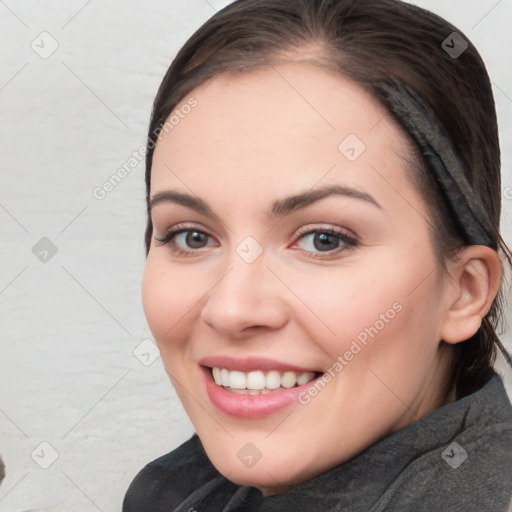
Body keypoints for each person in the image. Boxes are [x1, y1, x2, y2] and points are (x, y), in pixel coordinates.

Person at [122, 0, 512, 510]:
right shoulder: (173, 493)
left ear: (464, 291)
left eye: (323, 239)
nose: (231, 308)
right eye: (192, 236)